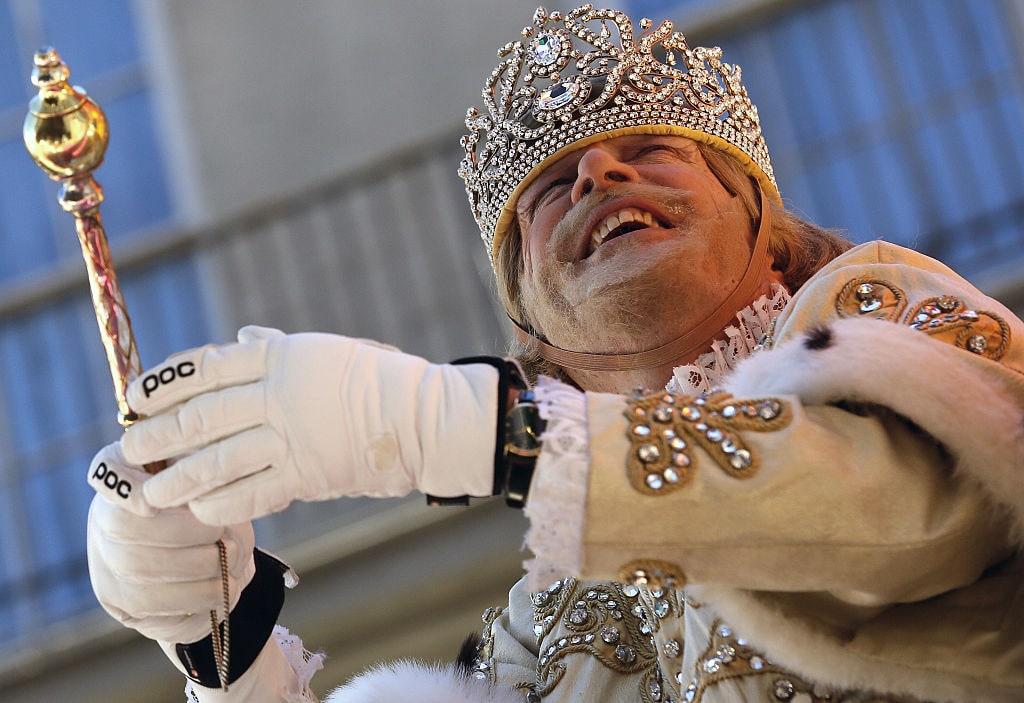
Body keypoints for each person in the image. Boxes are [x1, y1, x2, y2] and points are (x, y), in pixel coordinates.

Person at [85, 5, 1024, 702]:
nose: (601, 174)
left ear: (763, 222)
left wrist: (474, 429)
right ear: (531, 317)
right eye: (550, 189)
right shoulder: (547, 622)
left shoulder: (874, 308)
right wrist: (228, 648)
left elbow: (924, 504)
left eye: (652, 148)